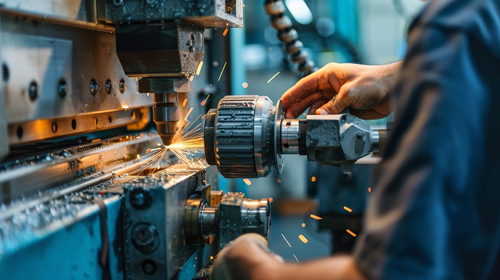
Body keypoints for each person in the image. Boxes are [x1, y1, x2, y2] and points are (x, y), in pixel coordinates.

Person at [210, 0, 500, 279]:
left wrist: (249, 264)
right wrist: (400, 76)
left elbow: (394, 275)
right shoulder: (478, 22)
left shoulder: (461, 23)